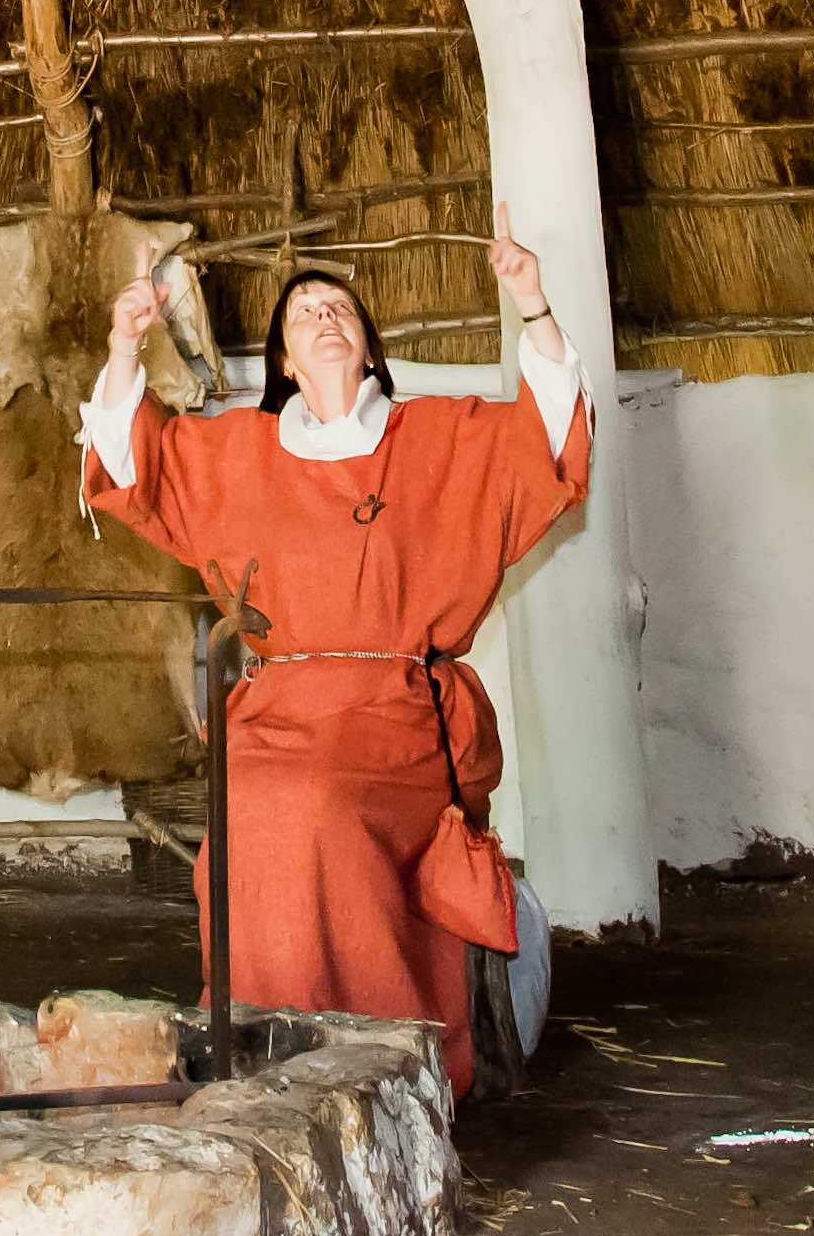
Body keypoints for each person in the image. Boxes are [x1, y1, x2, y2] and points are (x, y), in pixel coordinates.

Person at [83, 213, 590, 1095]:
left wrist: (532, 303)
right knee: (243, 821)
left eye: (340, 308)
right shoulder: (244, 450)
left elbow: (545, 442)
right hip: (275, 713)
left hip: (393, 717)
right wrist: (128, 341)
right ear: (282, 360)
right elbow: (135, 461)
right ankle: (252, 1057)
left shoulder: (437, 438)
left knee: (317, 810)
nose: (323, 315)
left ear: (368, 347)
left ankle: (379, 1066)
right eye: (303, 311)